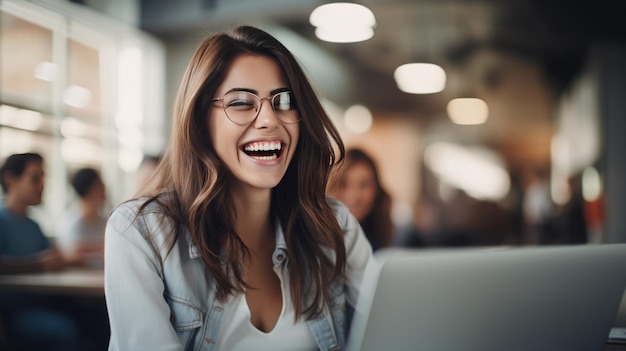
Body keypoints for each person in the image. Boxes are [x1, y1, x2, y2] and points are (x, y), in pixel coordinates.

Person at [104, 25, 379, 350]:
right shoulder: (141, 233)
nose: (269, 120)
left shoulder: (334, 224)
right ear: (200, 120)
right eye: (241, 102)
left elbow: (398, 326)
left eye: (284, 100)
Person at [0, 153, 80, 350]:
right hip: (13, 312)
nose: (43, 184)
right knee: (66, 330)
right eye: (35, 178)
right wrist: (39, 263)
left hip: (46, 302)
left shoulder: (34, 225)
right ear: (10, 180)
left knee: (96, 313)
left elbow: (53, 259)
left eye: (43, 177)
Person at [328, 148, 393, 251]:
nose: (355, 196)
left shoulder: (383, 233)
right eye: (344, 185)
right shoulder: (316, 239)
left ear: (377, 190)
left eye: (364, 185)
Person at [58, 167, 107, 266]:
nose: (105, 187)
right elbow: (70, 255)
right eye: (100, 183)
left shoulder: (106, 222)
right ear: (93, 188)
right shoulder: (72, 224)